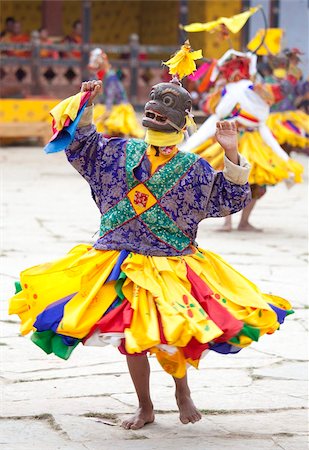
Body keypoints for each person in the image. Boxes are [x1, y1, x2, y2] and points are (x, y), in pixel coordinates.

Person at [9, 43, 293, 430]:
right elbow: (82, 146)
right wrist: (86, 103)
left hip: (169, 262)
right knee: (134, 338)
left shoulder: (192, 167)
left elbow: (228, 199)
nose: (156, 107)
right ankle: (144, 405)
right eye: (155, 101)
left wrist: (231, 154)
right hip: (119, 258)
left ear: (182, 122)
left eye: (168, 105)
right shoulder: (118, 152)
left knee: (173, 334)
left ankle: (182, 390)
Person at [181, 50, 303, 231]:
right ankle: (235, 222)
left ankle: (234, 222)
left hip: (239, 138)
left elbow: (208, 106)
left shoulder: (239, 89)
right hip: (241, 139)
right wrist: (291, 71)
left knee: (234, 180)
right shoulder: (247, 89)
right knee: (239, 180)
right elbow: (280, 91)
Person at [88, 48, 144, 138]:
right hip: (105, 105)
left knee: (113, 124)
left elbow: (111, 96)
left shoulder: (111, 76)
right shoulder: (99, 76)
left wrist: (107, 112)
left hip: (118, 106)